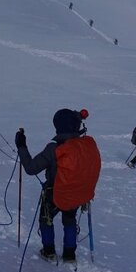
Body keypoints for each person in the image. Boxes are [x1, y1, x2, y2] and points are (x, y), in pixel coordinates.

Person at [15, 108, 98, 263]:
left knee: (46, 219)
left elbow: (31, 168)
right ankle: (69, 254)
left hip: (54, 193)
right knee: (70, 220)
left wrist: (21, 146)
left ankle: (48, 251)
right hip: (75, 193)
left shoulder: (54, 149)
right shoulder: (83, 146)